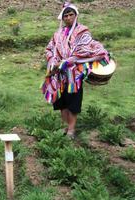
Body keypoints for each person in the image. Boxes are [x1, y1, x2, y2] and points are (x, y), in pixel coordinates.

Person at [42, 2, 109, 139]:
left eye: (71, 15)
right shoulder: (57, 34)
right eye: (65, 16)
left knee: (73, 102)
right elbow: (49, 49)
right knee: (61, 102)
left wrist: (69, 60)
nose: (68, 18)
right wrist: (54, 61)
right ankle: (66, 127)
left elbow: (85, 49)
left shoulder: (83, 31)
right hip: (59, 74)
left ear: (76, 15)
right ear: (62, 18)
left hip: (74, 74)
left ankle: (72, 130)